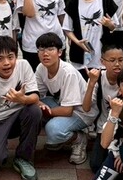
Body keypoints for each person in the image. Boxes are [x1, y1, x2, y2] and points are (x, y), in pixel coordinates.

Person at [0, 35, 42, 180]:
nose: (6, 63)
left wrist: (22, 99)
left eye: (10, 57)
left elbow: (35, 96)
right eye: (0, 59)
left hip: (18, 115)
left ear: (16, 57)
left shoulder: (24, 65)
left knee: (34, 111)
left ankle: (23, 158)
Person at [35, 32, 90, 164]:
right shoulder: (41, 68)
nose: (45, 53)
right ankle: (62, 135)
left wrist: (44, 110)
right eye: (41, 49)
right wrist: (36, 103)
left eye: (50, 49)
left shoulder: (68, 72)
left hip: (81, 112)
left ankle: (79, 139)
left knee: (53, 130)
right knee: (32, 106)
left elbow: (67, 111)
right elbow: (36, 94)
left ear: (60, 52)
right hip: (62, 104)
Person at [63, 0, 118, 72]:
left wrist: (109, 24)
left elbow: (114, 26)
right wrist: (77, 42)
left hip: (102, 53)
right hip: (80, 55)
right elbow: (67, 29)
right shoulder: (73, 3)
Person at [21, 0, 67, 70]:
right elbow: (29, 13)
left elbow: (61, 16)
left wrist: (65, 36)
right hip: (33, 45)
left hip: (56, 42)